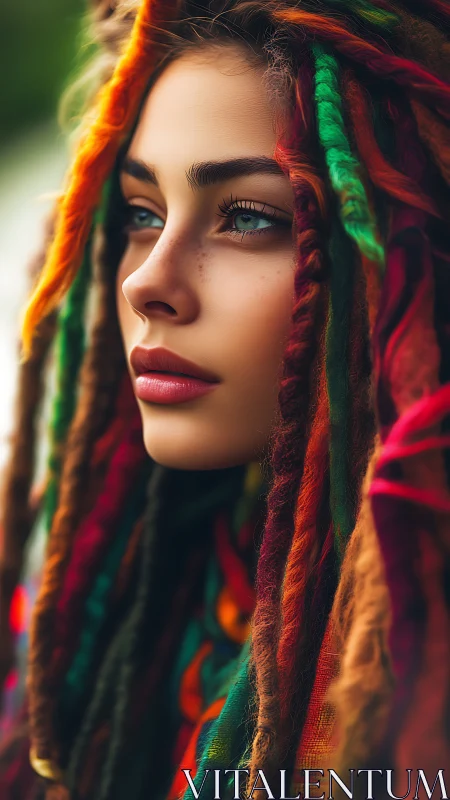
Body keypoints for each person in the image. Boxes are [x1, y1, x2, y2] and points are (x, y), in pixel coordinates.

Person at [1, 0, 450, 798]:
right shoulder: (124, 609)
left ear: (409, 254)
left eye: (248, 217)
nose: (148, 282)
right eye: (142, 213)